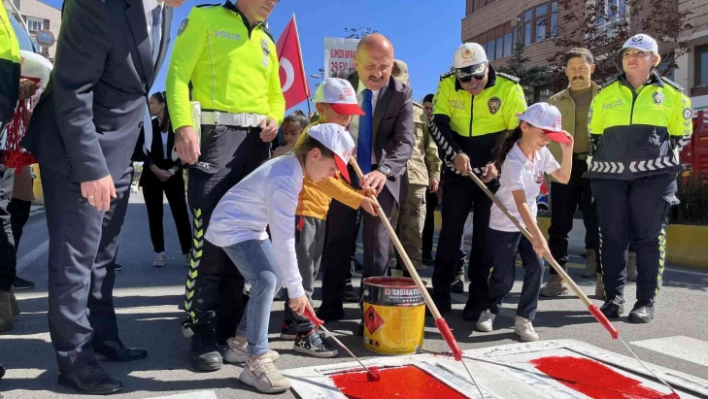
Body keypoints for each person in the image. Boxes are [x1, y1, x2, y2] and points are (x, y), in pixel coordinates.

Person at [21, 0, 181, 394]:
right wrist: (91, 167)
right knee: (75, 257)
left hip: (120, 150)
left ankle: (103, 337)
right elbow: (74, 91)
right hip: (77, 149)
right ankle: (73, 361)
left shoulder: (165, 8)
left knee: (103, 256)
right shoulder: (95, 3)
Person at [166, 0, 285, 371]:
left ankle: (229, 327)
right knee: (211, 237)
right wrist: (183, 125)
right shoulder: (204, 17)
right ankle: (201, 328)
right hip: (215, 137)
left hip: (256, 146)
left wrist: (275, 119)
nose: (273, 2)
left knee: (246, 233)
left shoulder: (267, 40)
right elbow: (177, 74)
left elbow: (276, 96)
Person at [205, 123, 356, 393]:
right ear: (314, 155)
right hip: (233, 226)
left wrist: (294, 287)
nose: (333, 174)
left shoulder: (292, 168)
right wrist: (297, 292)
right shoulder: (286, 176)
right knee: (266, 279)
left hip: (251, 226)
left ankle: (241, 343)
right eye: (333, 167)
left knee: (272, 280)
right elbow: (284, 239)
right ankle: (256, 360)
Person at [586, 34, 692, 323]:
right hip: (609, 178)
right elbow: (595, 136)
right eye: (627, 53)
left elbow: (681, 135)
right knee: (612, 239)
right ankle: (613, 299)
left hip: (654, 178)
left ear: (654, 60)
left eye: (640, 53)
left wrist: (654, 161)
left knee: (648, 240)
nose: (632, 57)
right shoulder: (605, 95)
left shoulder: (672, 95)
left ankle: (645, 302)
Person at [316, 33, 414, 326]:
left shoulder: (401, 92)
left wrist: (383, 171)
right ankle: (330, 305)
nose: (377, 73)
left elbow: (405, 141)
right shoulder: (339, 85)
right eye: (370, 65)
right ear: (356, 62)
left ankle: (372, 313)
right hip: (344, 174)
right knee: (337, 241)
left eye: (384, 66)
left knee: (377, 248)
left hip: (380, 177)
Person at [279, 78, 377, 357]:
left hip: (317, 212)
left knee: (306, 271)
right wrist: (358, 199)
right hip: (303, 211)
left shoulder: (332, 133)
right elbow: (324, 182)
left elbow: (336, 178)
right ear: (320, 107)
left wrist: (359, 188)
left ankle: (293, 319)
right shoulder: (318, 134)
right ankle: (305, 332)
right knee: (305, 277)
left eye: (349, 112)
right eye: (339, 111)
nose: (345, 117)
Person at [428, 42, 527, 320]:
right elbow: (438, 125)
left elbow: (516, 133)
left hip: (491, 170)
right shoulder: (447, 85)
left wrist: (497, 164)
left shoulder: (509, 88)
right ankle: (440, 296)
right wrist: (455, 154)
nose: (471, 83)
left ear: (487, 67)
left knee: (484, 237)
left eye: (477, 76)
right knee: (449, 235)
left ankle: (478, 298)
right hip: (457, 169)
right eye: (465, 77)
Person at [476, 103, 573, 341]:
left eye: (551, 136)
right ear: (525, 126)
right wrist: (539, 237)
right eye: (543, 134)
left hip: (528, 219)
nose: (546, 140)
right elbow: (519, 203)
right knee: (504, 275)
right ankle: (490, 309)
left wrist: (568, 150)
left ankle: (524, 318)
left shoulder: (542, 153)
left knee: (536, 268)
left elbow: (563, 177)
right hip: (505, 222)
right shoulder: (513, 161)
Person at [540, 48, 603, 298]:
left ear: (592, 69)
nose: (577, 73)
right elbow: (542, 137)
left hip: (597, 169)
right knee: (559, 226)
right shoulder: (554, 102)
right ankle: (558, 279)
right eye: (572, 69)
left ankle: (603, 280)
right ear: (566, 72)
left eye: (582, 68)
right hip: (563, 170)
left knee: (598, 225)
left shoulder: (606, 98)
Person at [0, 0, 38, 333]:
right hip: (7, 121)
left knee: (9, 211)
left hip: (9, 125)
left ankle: (4, 290)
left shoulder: (9, 15)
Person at [387, 60, 441, 275]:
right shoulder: (378, 109)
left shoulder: (419, 113)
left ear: (408, 81)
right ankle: (382, 286)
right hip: (388, 178)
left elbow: (430, 145)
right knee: (386, 237)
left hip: (415, 179)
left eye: (401, 83)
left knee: (413, 236)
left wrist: (435, 172)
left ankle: (412, 287)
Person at [140, 91, 192, 268]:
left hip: (173, 174)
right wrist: (155, 169)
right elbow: (143, 151)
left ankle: (188, 252)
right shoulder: (148, 126)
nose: (149, 106)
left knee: (181, 214)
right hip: (151, 174)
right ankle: (159, 253)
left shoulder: (177, 127)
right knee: (155, 215)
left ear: (162, 105)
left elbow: (184, 150)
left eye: (152, 103)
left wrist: (173, 169)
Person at [421, 93, 441, 266]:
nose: (428, 111)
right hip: (417, 176)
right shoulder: (418, 123)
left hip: (434, 176)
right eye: (426, 108)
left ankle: (426, 252)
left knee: (428, 217)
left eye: (431, 109)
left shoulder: (439, 126)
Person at [9, 166, 36, 289]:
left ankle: (8, 274)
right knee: (12, 225)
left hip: (18, 169)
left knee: (15, 223)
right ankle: (7, 275)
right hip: (13, 170)